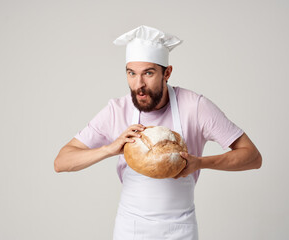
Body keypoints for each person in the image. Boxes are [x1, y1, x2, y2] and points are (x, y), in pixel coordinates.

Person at [54, 25, 262, 240]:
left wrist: (200, 162)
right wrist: (109, 149)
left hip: (180, 230)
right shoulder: (117, 110)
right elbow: (61, 162)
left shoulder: (195, 107)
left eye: (149, 73)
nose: (139, 85)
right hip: (130, 229)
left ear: (167, 73)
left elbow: (253, 158)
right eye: (131, 73)